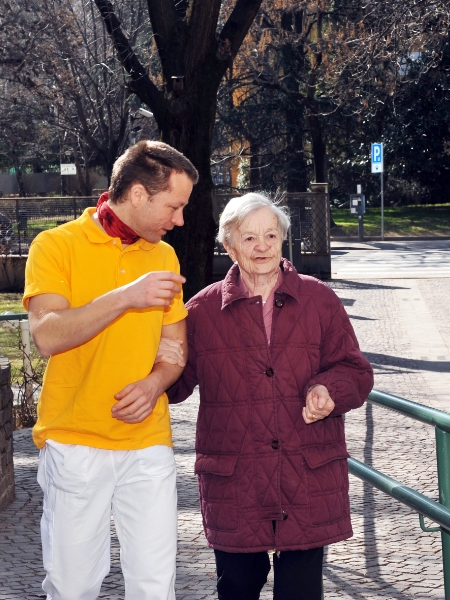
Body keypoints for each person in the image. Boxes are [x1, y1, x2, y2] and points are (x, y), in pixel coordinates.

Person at [164, 193, 374, 600]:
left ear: (282, 240)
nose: (262, 246)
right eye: (249, 238)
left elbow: (355, 371)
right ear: (229, 247)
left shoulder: (319, 300)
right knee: (237, 587)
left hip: (305, 472)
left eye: (271, 236)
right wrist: (151, 346)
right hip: (236, 479)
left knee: (300, 591)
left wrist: (328, 390)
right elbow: (175, 385)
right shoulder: (201, 311)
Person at [22, 141, 198, 600]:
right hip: (75, 440)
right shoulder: (55, 245)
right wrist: (125, 297)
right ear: (138, 194)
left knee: (155, 586)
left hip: (148, 443)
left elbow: (175, 349)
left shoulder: (164, 256)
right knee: (74, 585)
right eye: (173, 206)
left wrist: (155, 383)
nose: (180, 219)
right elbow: (47, 335)